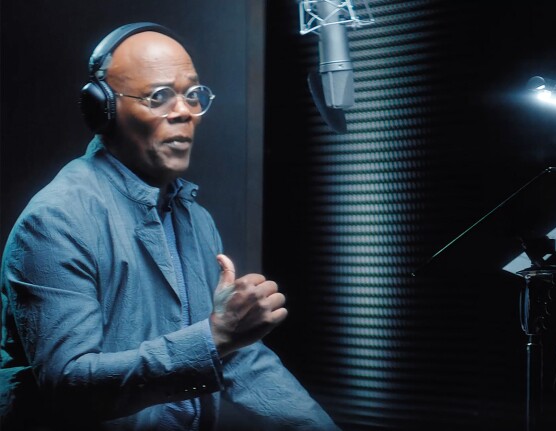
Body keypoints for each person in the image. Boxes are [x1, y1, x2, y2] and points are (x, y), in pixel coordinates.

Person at [0, 22, 341, 431]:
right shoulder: (56, 221)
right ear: (102, 110)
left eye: (192, 95)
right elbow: (69, 385)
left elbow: (236, 356)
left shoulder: (195, 220)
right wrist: (216, 336)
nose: (183, 112)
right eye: (159, 96)